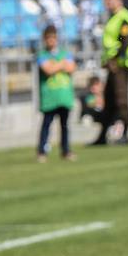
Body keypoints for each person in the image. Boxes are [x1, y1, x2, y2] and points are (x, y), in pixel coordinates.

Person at [90, 0, 128, 146]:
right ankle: (102, 136)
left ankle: (124, 134)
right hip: (113, 64)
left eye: (110, 0)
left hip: (121, 65)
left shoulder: (123, 17)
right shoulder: (113, 18)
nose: (108, 3)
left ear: (119, 0)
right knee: (110, 100)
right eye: (106, 1)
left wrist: (115, 58)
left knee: (121, 100)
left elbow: (122, 38)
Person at [36, 25, 76, 162]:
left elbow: (71, 68)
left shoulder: (65, 53)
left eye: (53, 37)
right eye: (48, 38)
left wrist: (56, 66)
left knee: (65, 126)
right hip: (50, 97)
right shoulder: (42, 55)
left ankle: (66, 150)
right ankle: (42, 151)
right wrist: (61, 65)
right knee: (46, 125)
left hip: (64, 96)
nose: (51, 41)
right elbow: (48, 70)